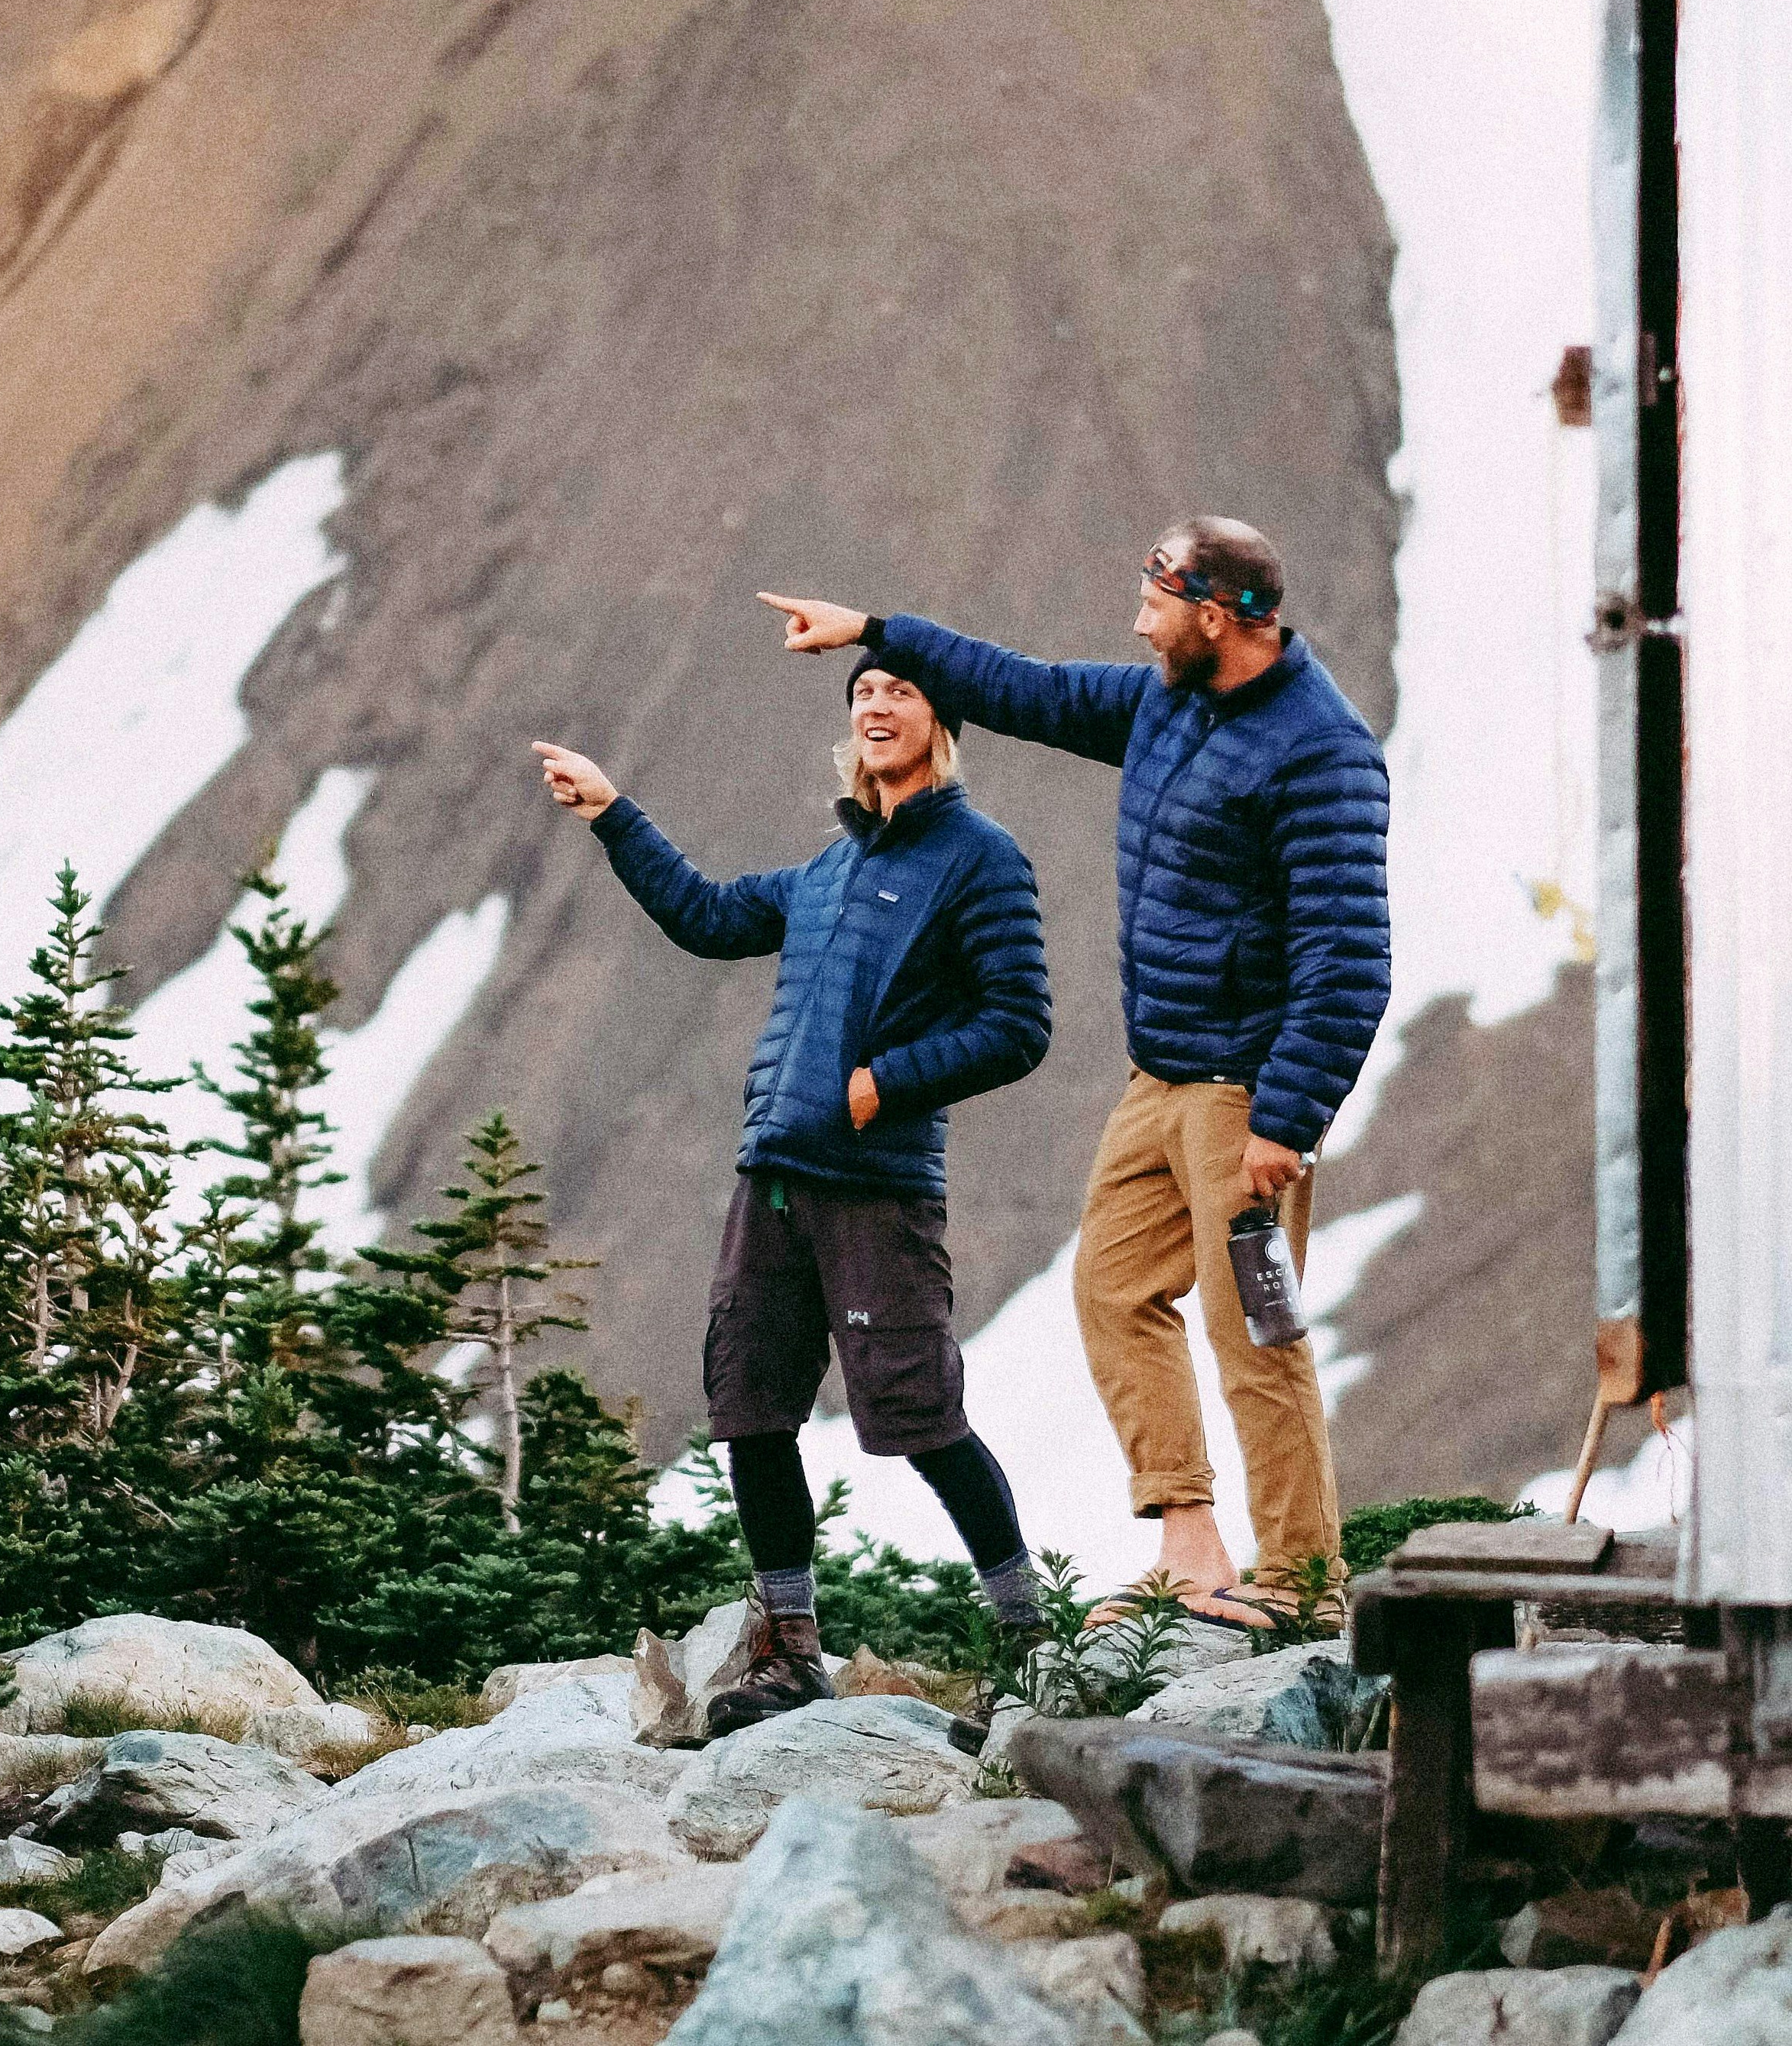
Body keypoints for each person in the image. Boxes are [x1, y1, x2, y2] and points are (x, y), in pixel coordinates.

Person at [759, 516, 1389, 1626]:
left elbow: (1349, 957)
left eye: (1155, 607)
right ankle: (1189, 1546)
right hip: (1160, 1080)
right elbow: (1025, 688)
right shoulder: (1165, 702)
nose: (1137, 627)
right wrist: (874, 631)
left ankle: (1301, 1582)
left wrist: (1284, 1120)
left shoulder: (1317, 749)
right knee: (1110, 1289)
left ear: (1213, 613)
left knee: (1255, 1329)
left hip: (1246, 1091)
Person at [532, 639, 1053, 1731]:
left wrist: (882, 1085)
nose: (874, 703)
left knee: (920, 1416)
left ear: (940, 722)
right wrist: (611, 812)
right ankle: (788, 1652)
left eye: (898, 690)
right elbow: (709, 916)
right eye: (862, 690)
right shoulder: (827, 869)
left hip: (876, 1187)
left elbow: (1017, 1025)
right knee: (750, 1409)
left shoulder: (980, 857)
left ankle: (1028, 1642)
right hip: (771, 1179)